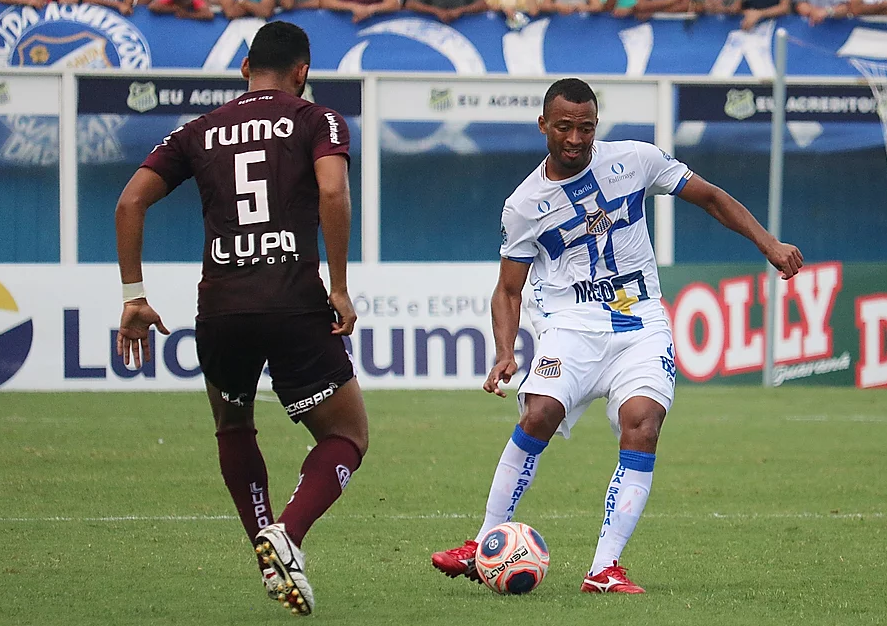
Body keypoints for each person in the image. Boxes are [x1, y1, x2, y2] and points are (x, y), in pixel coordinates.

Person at [431, 78, 802, 594]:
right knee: (538, 414)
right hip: (570, 328)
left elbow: (712, 198)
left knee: (643, 424)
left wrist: (769, 242)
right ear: (543, 125)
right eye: (564, 127)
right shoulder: (523, 205)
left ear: (596, 125)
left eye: (585, 127)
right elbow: (508, 290)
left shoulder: (636, 160)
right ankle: (481, 543)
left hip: (640, 323)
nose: (576, 138)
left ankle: (604, 569)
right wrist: (503, 351)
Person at [114, 22, 369, 616]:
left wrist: (133, 296)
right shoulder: (317, 119)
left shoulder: (197, 130)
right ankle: (287, 533)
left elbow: (130, 201)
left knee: (234, 427)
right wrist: (340, 285)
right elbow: (333, 193)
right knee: (347, 435)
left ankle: (262, 537)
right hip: (292, 302)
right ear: (303, 72)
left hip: (222, 309)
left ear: (245, 66)